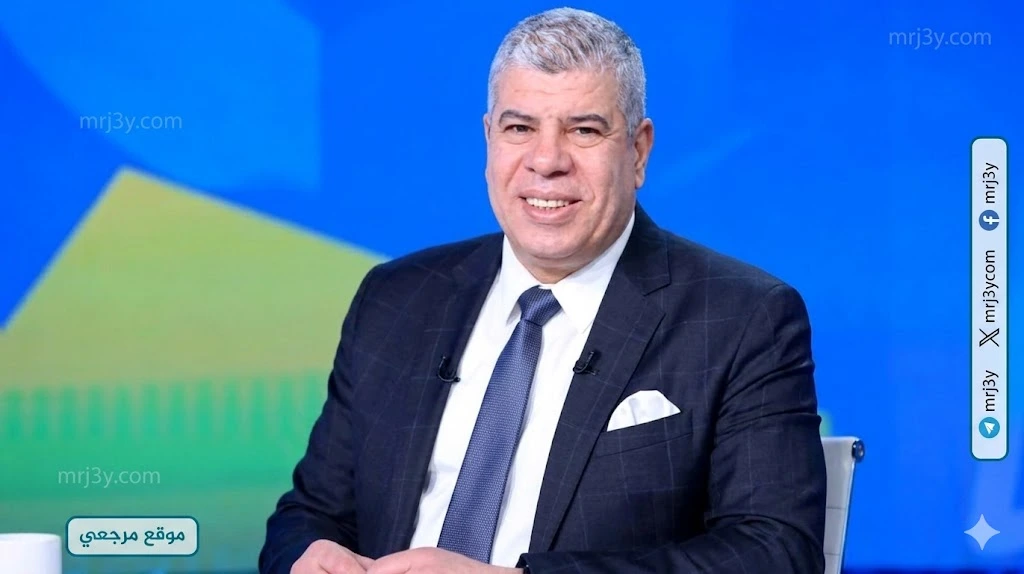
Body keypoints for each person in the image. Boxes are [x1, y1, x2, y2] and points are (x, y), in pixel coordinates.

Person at [259, 7, 827, 574]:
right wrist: (308, 556)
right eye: (520, 128)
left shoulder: (743, 318)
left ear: (638, 151)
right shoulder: (395, 298)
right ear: (489, 139)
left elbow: (774, 551)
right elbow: (309, 515)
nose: (547, 161)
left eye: (584, 130)